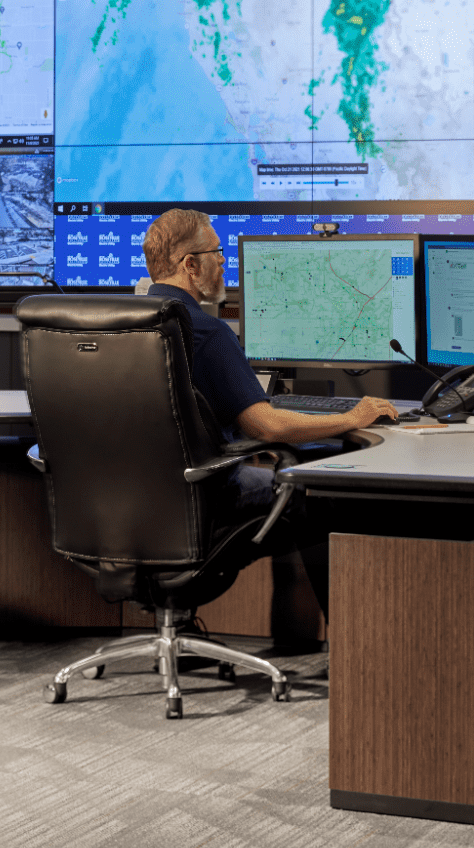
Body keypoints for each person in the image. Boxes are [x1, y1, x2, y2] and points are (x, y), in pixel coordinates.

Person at [141, 208, 397, 635]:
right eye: (216, 252)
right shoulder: (206, 332)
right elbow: (267, 428)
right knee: (320, 494)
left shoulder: (132, 324)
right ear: (190, 264)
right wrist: (354, 416)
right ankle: (352, 642)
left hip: (135, 505)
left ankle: (211, 631)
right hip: (204, 499)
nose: (224, 262)